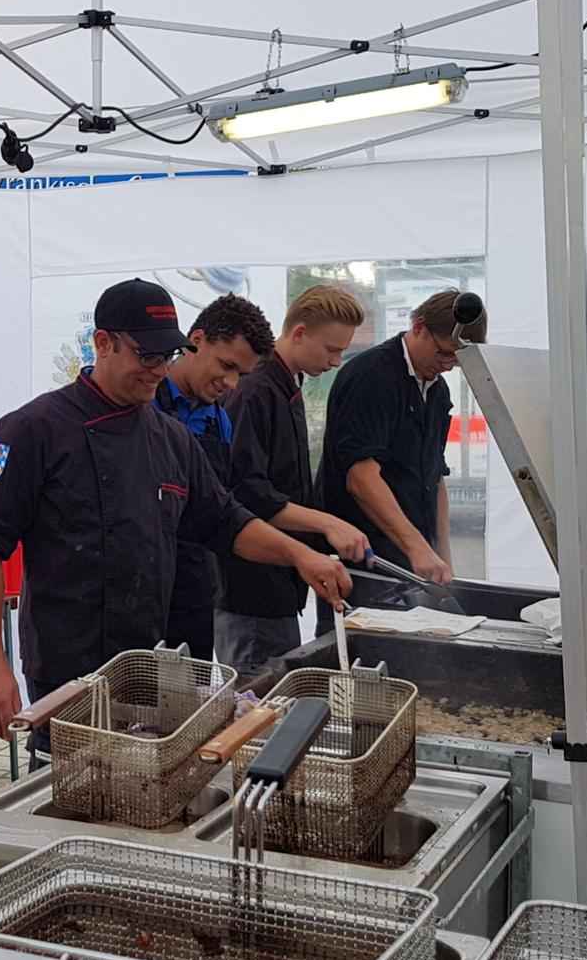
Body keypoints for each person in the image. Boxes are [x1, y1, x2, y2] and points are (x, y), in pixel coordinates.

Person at [0, 277, 352, 750]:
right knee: (66, 784)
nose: (158, 371)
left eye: (166, 357)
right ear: (103, 343)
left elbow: (225, 521)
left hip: (154, 661)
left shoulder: (171, 438)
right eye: (146, 356)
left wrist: (301, 557)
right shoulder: (31, 429)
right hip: (68, 667)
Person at [214, 285, 372, 675]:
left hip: (280, 584)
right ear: (299, 333)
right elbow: (246, 492)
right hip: (249, 590)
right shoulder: (253, 389)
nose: (336, 362)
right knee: (259, 701)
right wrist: (327, 524)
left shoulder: (288, 384)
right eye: (331, 349)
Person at [316, 288, 487, 590]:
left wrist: (442, 556)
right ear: (419, 327)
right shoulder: (372, 377)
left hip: (414, 561)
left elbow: (435, 477)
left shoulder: (437, 390)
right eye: (445, 353)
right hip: (367, 562)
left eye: (458, 360)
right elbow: (362, 478)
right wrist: (417, 547)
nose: (449, 365)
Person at [152, 293, 275, 659]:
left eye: (241, 374)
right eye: (226, 365)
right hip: (142, 587)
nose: (232, 383)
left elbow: (219, 509)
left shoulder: (219, 420)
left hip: (194, 587)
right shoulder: (145, 404)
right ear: (197, 340)